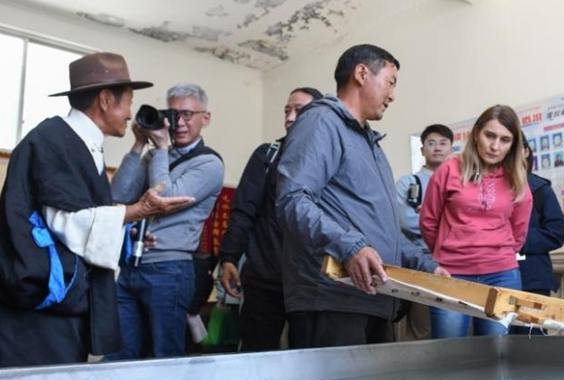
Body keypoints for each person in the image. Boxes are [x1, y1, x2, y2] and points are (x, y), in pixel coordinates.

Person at [0, 52, 193, 367]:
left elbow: (80, 213)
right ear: (106, 99)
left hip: (61, 308)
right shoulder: (53, 140)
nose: (131, 114)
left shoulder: (79, 143)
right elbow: (68, 222)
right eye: (128, 102)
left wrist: (126, 230)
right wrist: (137, 211)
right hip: (40, 316)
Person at [275, 44, 448, 348]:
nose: (393, 95)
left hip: (373, 298)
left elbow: (384, 233)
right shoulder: (321, 123)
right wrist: (350, 246)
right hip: (331, 300)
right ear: (361, 73)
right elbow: (293, 200)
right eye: (391, 82)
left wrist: (427, 265)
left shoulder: (370, 145)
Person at [107, 83, 225, 360]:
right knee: (119, 354)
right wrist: (139, 144)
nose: (179, 123)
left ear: (204, 118)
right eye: (173, 115)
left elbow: (166, 197)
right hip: (131, 266)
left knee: (164, 356)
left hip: (170, 270)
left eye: (187, 115)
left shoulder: (209, 164)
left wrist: (160, 147)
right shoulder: (155, 155)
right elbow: (119, 194)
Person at [218, 87, 322, 351]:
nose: (289, 117)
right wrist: (229, 257)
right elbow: (243, 210)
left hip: (312, 283)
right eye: (287, 110)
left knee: (308, 362)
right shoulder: (267, 155)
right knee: (255, 358)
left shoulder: (329, 160)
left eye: (299, 110)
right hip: (264, 278)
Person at [420, 105, 532, 338]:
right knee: (449, 354)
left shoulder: (517, 178)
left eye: (505, 140)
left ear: (513, 144)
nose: (495, 146)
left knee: (495, 356)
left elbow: (519, 233)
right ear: (476, 133)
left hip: (502, 274)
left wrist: (496, 254)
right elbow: (428, 222)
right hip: (451, 274)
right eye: (490, 136)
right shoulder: (448, 170)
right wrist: (450, 251)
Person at [394, 124, 453, 341]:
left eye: (443, 143)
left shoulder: (464, 182)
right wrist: (448, 218)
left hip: (457, 263)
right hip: (421, 262)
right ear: (422, 150)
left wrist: (430, 215)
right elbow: (406, 221)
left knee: (457, 329)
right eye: (431, 143)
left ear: (452, 149)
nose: (437, 148)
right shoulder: (408, 184)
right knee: (423, 328)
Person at [517, 139, 564, 301]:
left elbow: (556, 234)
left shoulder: (540, 189)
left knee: (530, 326)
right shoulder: (488, 189)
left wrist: (517, 238)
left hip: (533, 278)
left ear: (526, 151)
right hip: (494, 277)